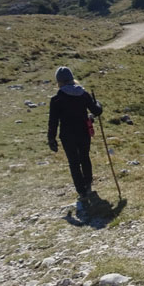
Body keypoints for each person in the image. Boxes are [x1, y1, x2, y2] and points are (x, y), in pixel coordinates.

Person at [47, 66, 103, 205]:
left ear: (58, 81)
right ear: (72, 79)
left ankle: (81, 191)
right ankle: (88, 185)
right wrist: (98, 104)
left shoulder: (56, 99)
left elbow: (53, 121)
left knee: (74, 162)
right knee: (85, 157)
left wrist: (51, 139)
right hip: (83, 131)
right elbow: (96, 111)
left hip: (67, 135)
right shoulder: (83, 94)